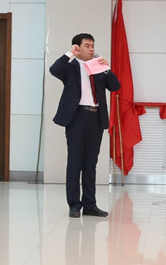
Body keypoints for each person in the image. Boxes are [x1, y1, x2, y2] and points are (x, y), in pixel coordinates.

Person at [49, 35, 117, 216]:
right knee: (75, 162)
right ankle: (74, 204)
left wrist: (107, 69)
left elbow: (115, 86)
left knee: (90, 163)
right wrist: (69, 54)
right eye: (87, 45)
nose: (91, 49)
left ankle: (90, 204)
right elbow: (54, 70)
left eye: (93, 45)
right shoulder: (70, 67)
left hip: (96, 118)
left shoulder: (98, 67)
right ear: (77, 47)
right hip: (77, 117)